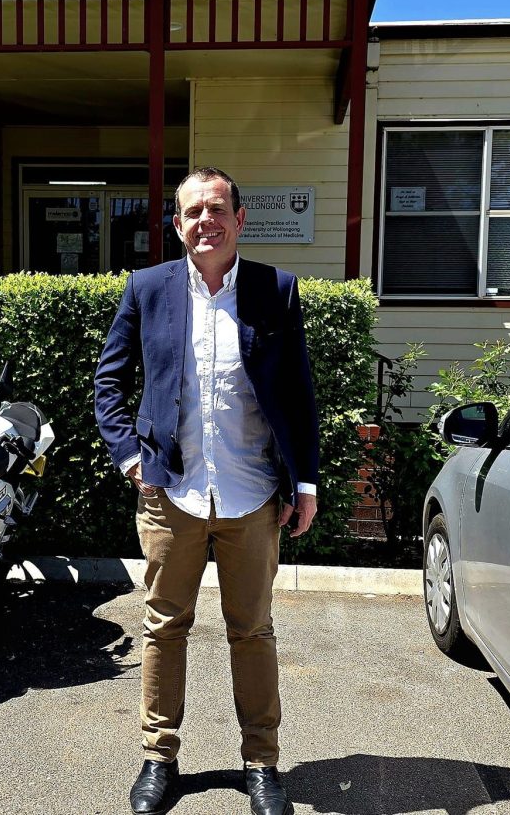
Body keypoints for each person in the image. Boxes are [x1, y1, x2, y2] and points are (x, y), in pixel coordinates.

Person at [95, 167, 319, 815]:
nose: (205, 222)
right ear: (176, 224)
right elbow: (108, 383)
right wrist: (130, 459)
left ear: (240, 218)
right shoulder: (149, 288)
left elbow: (299, 393)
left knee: (252, 629)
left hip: (252, 495)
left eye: (216, 209)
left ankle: (262, 763)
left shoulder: (275, 289)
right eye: (192, 212)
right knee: (164, 626)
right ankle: (159, 757)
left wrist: (304, 479)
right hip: (171, 493)